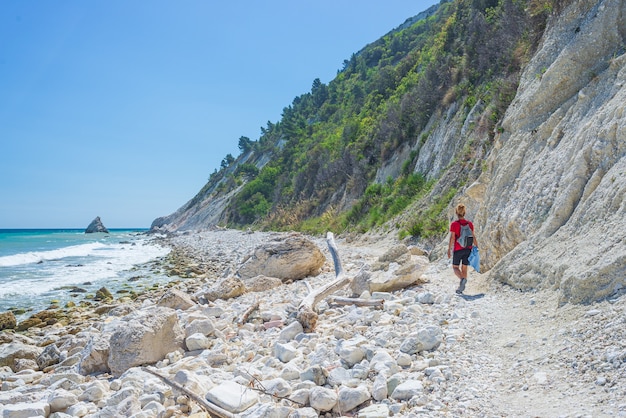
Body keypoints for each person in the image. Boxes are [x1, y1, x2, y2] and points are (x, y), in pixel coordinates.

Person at [447, 203, 478, 294]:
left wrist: (449, 249)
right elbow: (473, 236)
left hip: (458, 249)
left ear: (456, 213)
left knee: (455, 267)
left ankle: (462, 280)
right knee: (464, 268)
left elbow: (452, 238)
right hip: (468, 248)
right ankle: (461, 287)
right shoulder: (470, 224)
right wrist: (476, 246)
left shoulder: (454, 224)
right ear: (464, 212)